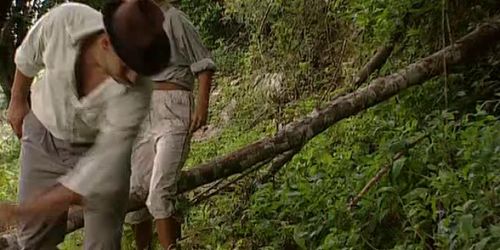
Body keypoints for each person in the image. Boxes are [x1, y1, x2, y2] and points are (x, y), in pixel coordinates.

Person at [0, 0, 170, 249]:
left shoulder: (138, 89)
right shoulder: (64, 21)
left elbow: (100, 166)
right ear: (105, 44)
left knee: (104, 242)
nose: (133, 78)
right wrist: (16, 102)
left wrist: (23, 211)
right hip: (43, 134)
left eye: (140, 70)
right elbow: (27, 57)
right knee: (33, 241)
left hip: (100, 151)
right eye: (127, 66)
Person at [124, 0, 216, 249]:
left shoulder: (175, 19)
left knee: (159, 191)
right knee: (136, 192)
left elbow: (204, 64)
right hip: (145, 111)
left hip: (174, 107)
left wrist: (202, 107)